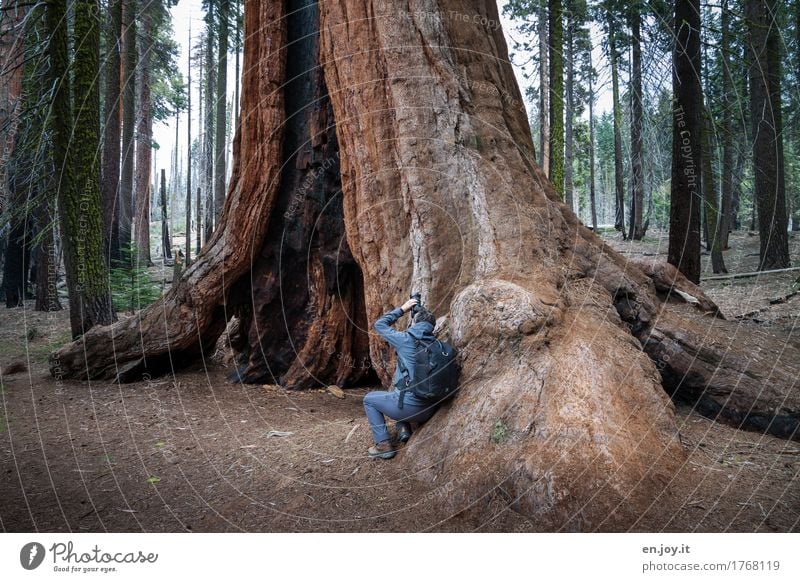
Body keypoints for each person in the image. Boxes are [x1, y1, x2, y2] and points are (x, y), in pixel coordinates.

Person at [364, 297, 439, 460]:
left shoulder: (406, 340)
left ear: (414, 323)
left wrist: (402, 309)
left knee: (369, 399)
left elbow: (379, 325)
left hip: (409, 409)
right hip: (430, 410)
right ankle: (403, 428)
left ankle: (383, 446)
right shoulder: (438, 345)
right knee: (399, 389)